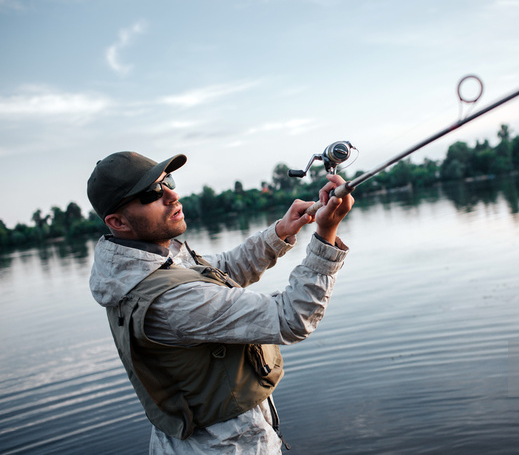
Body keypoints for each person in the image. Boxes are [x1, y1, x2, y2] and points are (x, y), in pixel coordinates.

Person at [87, 151, 353, 453]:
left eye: (168, 182)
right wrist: (326, 234)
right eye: (152, 193)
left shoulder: (141, 266)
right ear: (118, 221)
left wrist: (282, 231)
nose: (173, 195)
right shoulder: (170, 299)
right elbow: (291, 317)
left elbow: (222, 269)